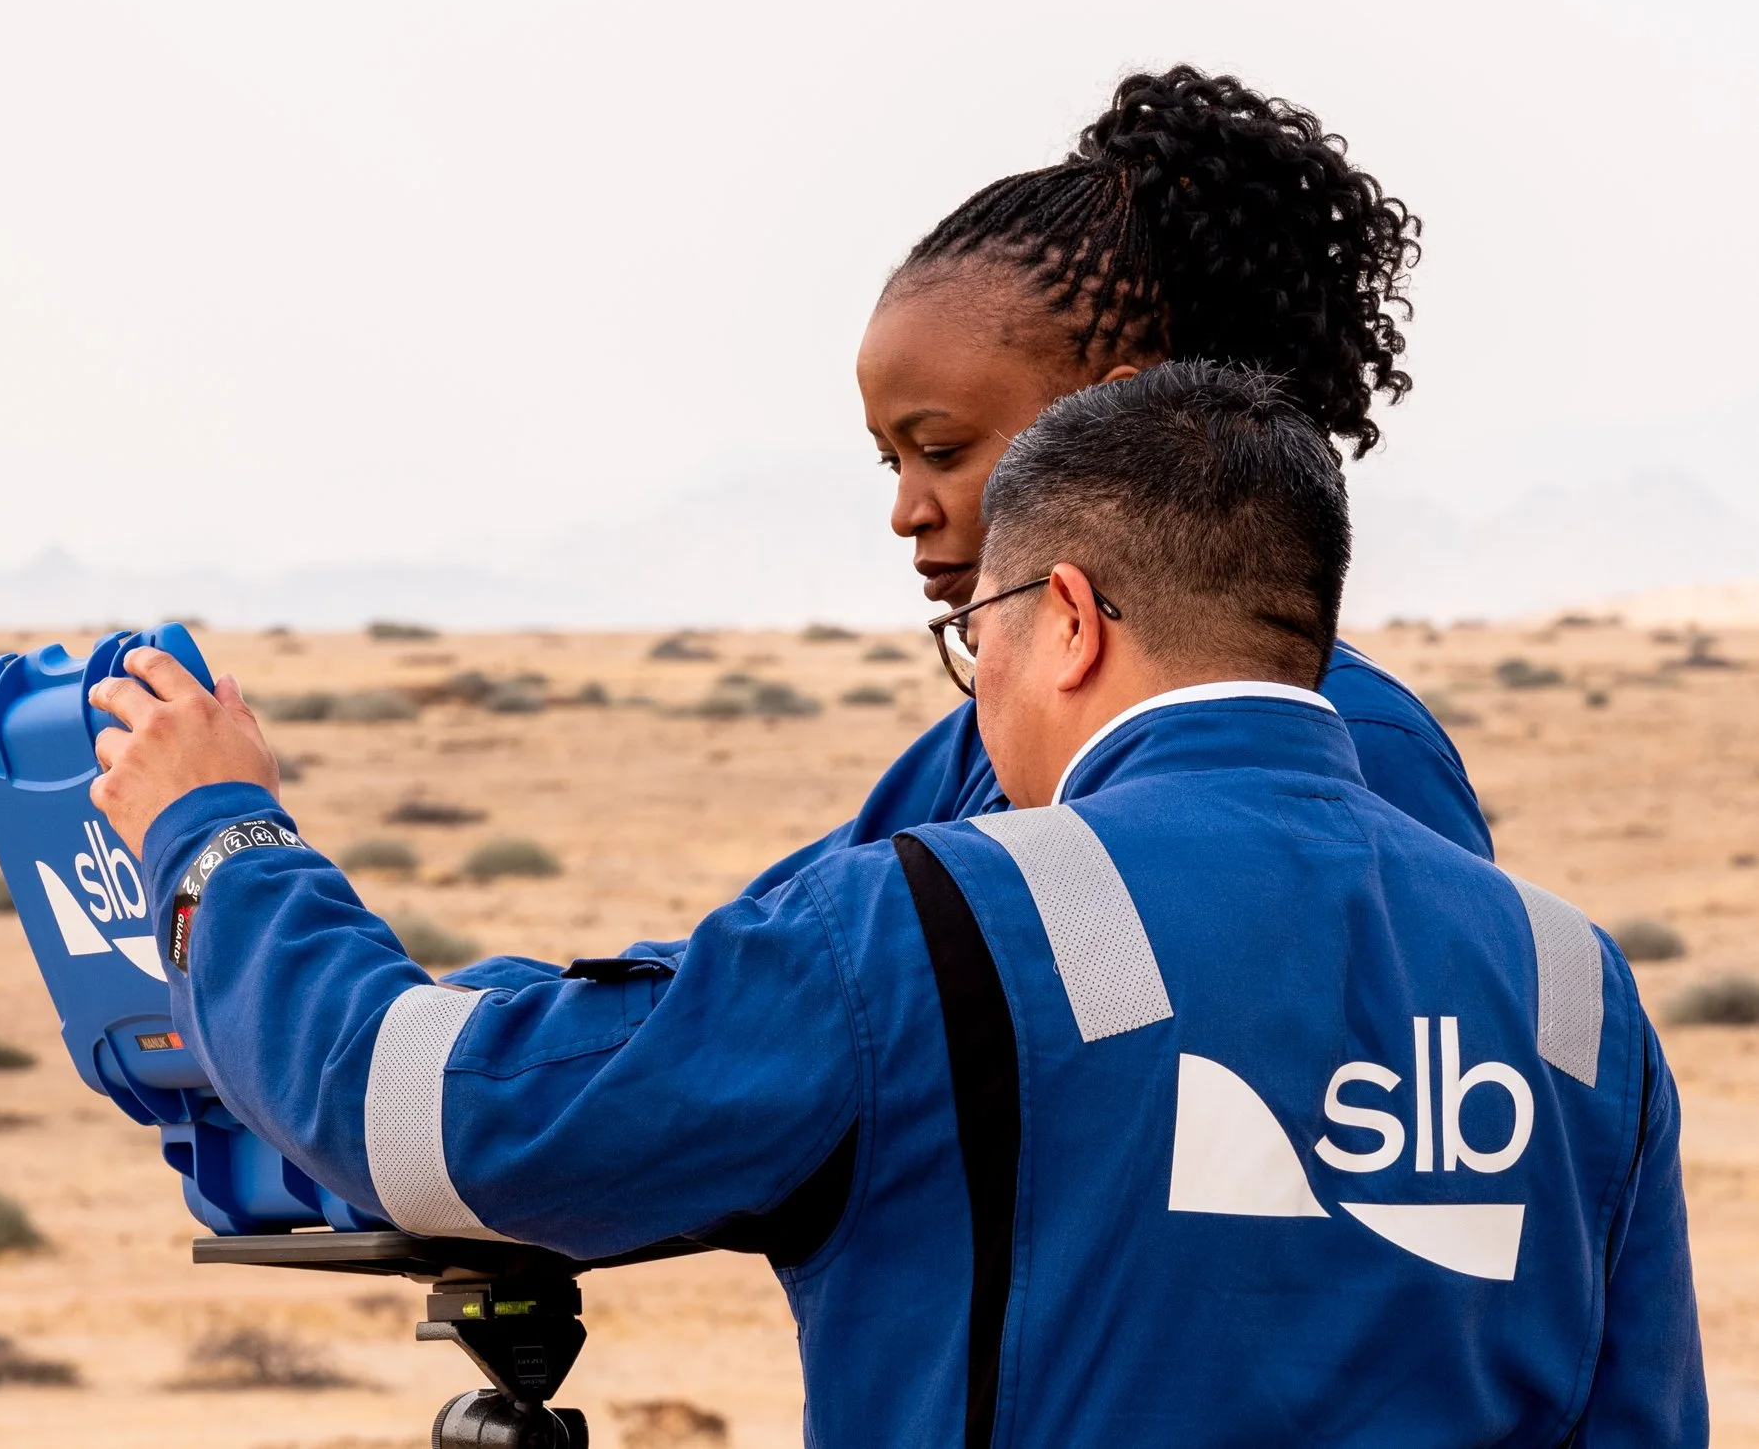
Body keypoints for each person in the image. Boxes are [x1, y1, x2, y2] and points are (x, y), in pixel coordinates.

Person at [89, 364, 1703, 1448]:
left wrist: (220, 844)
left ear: (1066, 620)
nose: (973, 675)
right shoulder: (1576, 989)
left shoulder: (931, 924)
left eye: (973, 634)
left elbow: (432, 1115)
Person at [747, 62, 1491, 895]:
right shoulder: (979, 741)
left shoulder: (1351, 747)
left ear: (1114, 415)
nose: (905, 512)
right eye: (894, 461)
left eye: (943, 450)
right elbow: (775, 941)